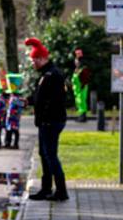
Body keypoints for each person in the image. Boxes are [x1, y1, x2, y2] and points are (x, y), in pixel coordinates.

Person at [26, 37, 68, 201]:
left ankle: (61, 190)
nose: (33, 63)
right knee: (44, 154)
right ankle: (46, 189)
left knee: (50, 155)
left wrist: (40, 109)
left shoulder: (52, 75)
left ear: (43, 58)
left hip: (51, 121)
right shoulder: (47, 74)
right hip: (47, 121)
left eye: (35, 59)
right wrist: (28, 101)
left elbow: (50, 99)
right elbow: (39, 96)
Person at [72, 48, 92, 123]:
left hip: (81, 88)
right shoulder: (77, 69)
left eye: (76, 61)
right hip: (78, 89)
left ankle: (83, 117)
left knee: (82, 102)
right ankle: (81, 116)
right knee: (80, 103)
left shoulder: (83, 69)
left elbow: (85, 78)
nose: (75, 62)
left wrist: (82, 86)